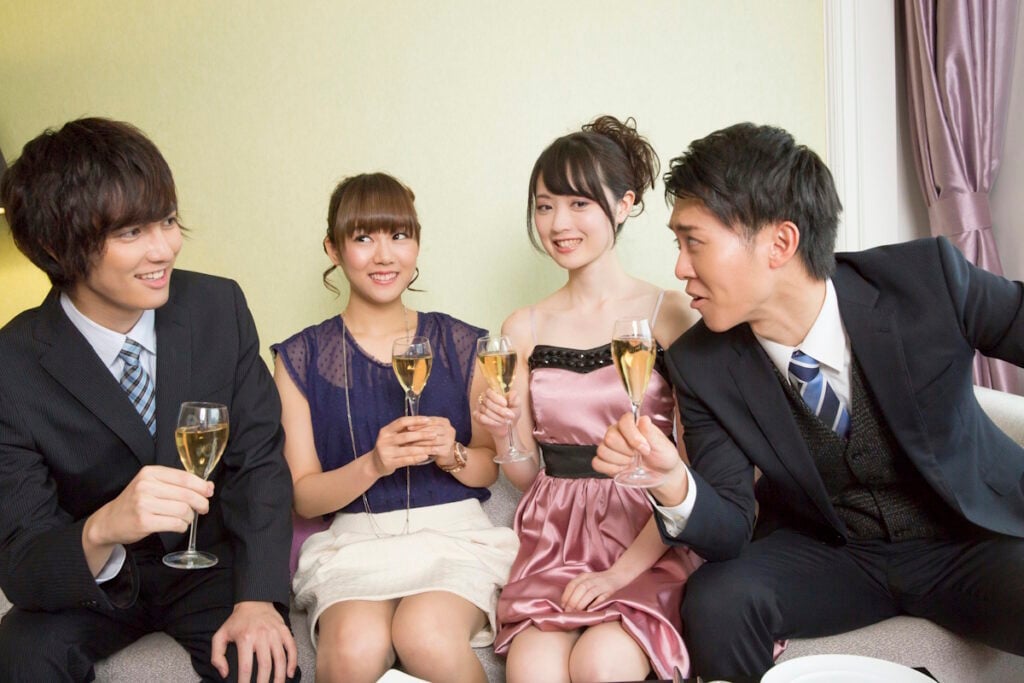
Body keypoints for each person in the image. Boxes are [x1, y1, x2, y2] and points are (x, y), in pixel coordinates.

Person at [595, 122, 1024, 679]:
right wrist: (673, 481)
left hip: (968, 540)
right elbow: (728, 528)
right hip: (835, 554)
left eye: (693, 241)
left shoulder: (924, 279)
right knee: (718, 598)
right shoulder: (700, 364)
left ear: (780, 243)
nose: (679, 268)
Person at [0, 118, 299, 682]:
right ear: (55, 246)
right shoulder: (12, 365)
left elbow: (259, 462)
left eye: (167, 220)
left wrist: (259, 597)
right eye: (131, 233)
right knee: (20, 656)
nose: (165, 248)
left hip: (211, 568)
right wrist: (104, 526)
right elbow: (22, 557)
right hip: (92, 583)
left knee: (263, 664)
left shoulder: (219, 307)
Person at [477, 115, 702, 683]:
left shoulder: (669, 314)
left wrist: (617, 574)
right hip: (554, 540)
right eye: (545, 206)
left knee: (601, 664)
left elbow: (695, 469)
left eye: (579, 203)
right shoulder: (523, 327)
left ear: (624, 205)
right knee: (531, 671)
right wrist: (503, 431)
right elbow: (528, 477)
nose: (559, 223)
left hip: (648, 533)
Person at [272, 172, 518, 683]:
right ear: (333, 249)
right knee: (352, 650)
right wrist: (373, 464)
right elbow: (305, 498)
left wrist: (452, 452)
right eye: (363, 238)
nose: (384, 256)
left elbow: (486, 471)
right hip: (354, 543)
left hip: (453, 536)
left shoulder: (461, 343)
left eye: (399, 236)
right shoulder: (300, 356)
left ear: (417, 243)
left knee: (425, 635)